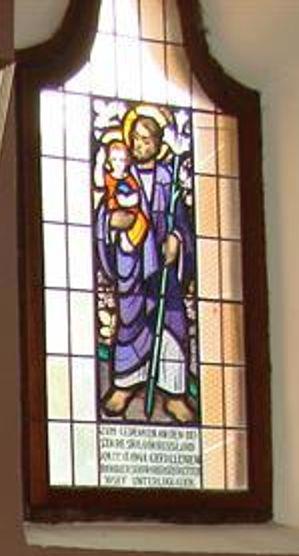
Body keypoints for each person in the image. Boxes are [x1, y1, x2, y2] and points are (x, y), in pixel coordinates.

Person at [94, 106, 197, 423]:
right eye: (136, 139)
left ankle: (175, 394)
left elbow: (182, 223)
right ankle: (124, 385)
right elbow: (105, 214)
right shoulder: (124, 176)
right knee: (131, 324)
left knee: (172, 326)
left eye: (147, 140)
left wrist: (176, 240)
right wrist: (112, 222)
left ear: (159, 144)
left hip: (164, 270)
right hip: (133, 267)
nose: (139, 145)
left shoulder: (168, 178)